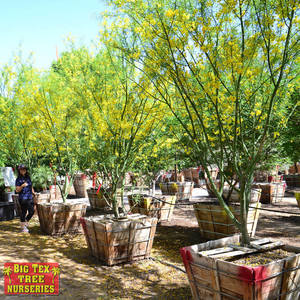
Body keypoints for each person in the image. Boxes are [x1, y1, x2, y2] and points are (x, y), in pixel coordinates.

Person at [15, 164, 35, 233]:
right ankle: (23, 228)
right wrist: (22, 186)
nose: (23, 170)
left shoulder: (28, 177)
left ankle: (25, 222)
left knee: (32, 211)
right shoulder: (18, 179)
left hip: (30, 197)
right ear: (19, 170)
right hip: (23, 198)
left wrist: (34, 193)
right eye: (21, 169)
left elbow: (31, 186)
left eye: (24, 169)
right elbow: (17, 190)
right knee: (23, 212)